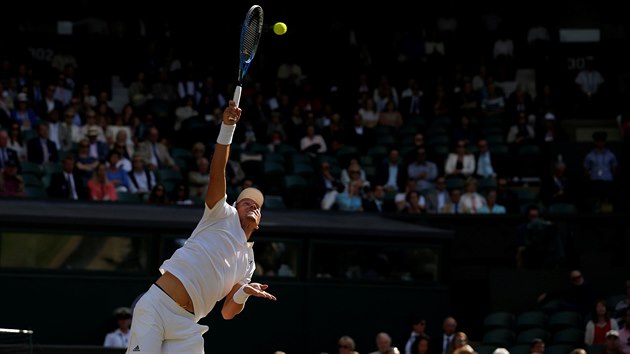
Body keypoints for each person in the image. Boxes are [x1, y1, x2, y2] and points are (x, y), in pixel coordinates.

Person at [126, 101, 277, 353]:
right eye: (245, 202)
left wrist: (243, 293)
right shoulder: (221, 214)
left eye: (257, 206)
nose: (252, 206)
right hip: (156, 307)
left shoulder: (248, 263)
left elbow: (228, 312)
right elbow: (218, 172)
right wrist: (227, 128)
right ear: (234, 206)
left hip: (187, 325)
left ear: (259, 223)